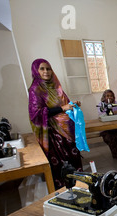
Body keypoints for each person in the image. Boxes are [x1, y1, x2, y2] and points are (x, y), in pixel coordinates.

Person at [28, 58, 83, 189]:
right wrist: (62, 109)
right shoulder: (35, 90)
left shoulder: (55, 86)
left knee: (74, 159)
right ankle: (65, 191)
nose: (46, 71)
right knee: (61, 164)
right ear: (36, 71)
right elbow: (35, 114)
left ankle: (79, 187)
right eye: (42, 69)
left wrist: (71, 105)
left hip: (67, 130)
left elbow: (64, 104)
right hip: (53, 132)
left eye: (48, 68)